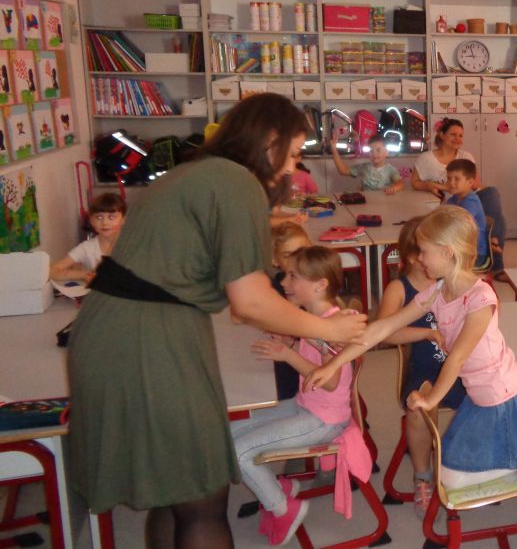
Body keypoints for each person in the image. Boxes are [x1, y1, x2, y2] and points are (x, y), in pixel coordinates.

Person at [66, 93, 366, 549]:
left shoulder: (196, 173)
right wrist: (329, 329)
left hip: (124, 329)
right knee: (200, 492)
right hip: (145, 338)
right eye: (292, 154)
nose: (292, 168)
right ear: (269, 140)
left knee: (175, 486)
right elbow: (249, 301)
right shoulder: (235, 182)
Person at [308, 206, 517, 490]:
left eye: (424, 251)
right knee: (450, 469)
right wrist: (334, 364)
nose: (419, 258)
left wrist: (431, 399)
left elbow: (456, 358)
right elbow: (382, 328)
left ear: (448, 252)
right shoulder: (437, 292)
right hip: (479, 396)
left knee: (450, 479)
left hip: (500, 398)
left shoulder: (481, 298)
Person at [232, 246, 355, 546]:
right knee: (228, 434)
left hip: (325, 419)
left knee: (239, 452)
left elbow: (329, 381)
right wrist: (289, 343)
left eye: (292, 277)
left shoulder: (332, 326)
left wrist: (287, 354)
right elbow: (310, 349)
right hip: (306, 405)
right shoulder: (313, 318)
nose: (284, 283)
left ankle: (283, 508)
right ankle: (281, 489)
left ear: (320, 284)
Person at [375, 217, 463, 518]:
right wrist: (426, 333)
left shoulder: (450, 281)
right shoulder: (399, 288)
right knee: (418, 407)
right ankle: (423, 475)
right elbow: (385, 333)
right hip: (424, 368)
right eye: (424, 251)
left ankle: (470, 465)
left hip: (458, 367)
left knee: (488, 395)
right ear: (414, 256)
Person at [412, 118, 507, 280]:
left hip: (469, 243)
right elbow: (415, 183)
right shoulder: (426, 158)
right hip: (448, 204)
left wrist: (445, 187)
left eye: (461, 135)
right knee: (497, 220)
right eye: (453, 134)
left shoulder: (466, 158)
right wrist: (430, 186)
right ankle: (492, 243)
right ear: (442, 135)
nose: (458, 139)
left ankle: (491, 243)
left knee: (492, 194)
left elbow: (475, 185)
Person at [269, 222, 312, 401]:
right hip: (284, 374)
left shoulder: (318, 292)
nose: (297, 261)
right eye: (288, 255)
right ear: (274, 260)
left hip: (312, 379)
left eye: (302, 252)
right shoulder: (270, 292)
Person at [49, 192, 126, 282]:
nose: (105, 223)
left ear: (123, 220)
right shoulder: (86, 248)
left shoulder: (133, 245)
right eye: (99, 217)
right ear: (92, 221)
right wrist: (85, 275)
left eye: (111, 217)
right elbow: (52, 271)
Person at [444, 158, 489, 269]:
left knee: (438, 262)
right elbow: (441, 214)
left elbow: (459, 222)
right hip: (461, 249)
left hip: (475, 254)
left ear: (470, 182)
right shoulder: (454, 199)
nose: (451, 183)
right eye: (449, 178)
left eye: (456, 179)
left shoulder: (471, 201)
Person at [330, 135, 403, 194]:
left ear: (386, 152)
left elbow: (401, 184)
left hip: (383, 202)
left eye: (378, 150)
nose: (374, 153)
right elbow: (343, 170)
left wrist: (393, 188)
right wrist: (334, 150)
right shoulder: (364, 167)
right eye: (371, 150)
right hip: (366, 202)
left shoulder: (391, 170)